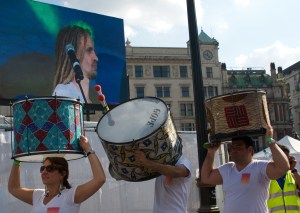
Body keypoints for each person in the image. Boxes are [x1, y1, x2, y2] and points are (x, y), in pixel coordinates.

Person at [200, 126, 290, 213]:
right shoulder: (227, 169)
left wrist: (270, 140)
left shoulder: (260, 167)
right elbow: (206, 178)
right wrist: (211, 152)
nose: (234, 150)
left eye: (238, 147)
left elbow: (283, 167)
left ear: (250, 150)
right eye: (232, 147)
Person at [8, 135, 105, 213]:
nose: (44, 172)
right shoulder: (38, 196)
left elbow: (100, 179)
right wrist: (17, 160)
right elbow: (13, 188)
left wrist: (88, 149)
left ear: (62, 173)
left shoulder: (70, 196)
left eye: (50, 168)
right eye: (42, 168)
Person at [52, 21, 98, 103]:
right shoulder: (63, 92)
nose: (96, 58)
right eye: (89, 50)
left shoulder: (91, 101)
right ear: (75, 54)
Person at [267, 144, 300, 212]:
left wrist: (294, 170)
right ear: (274, 157)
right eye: (282, 156)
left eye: (286, 157)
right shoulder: (266, 176)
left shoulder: (293, 174)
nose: (284, 159)